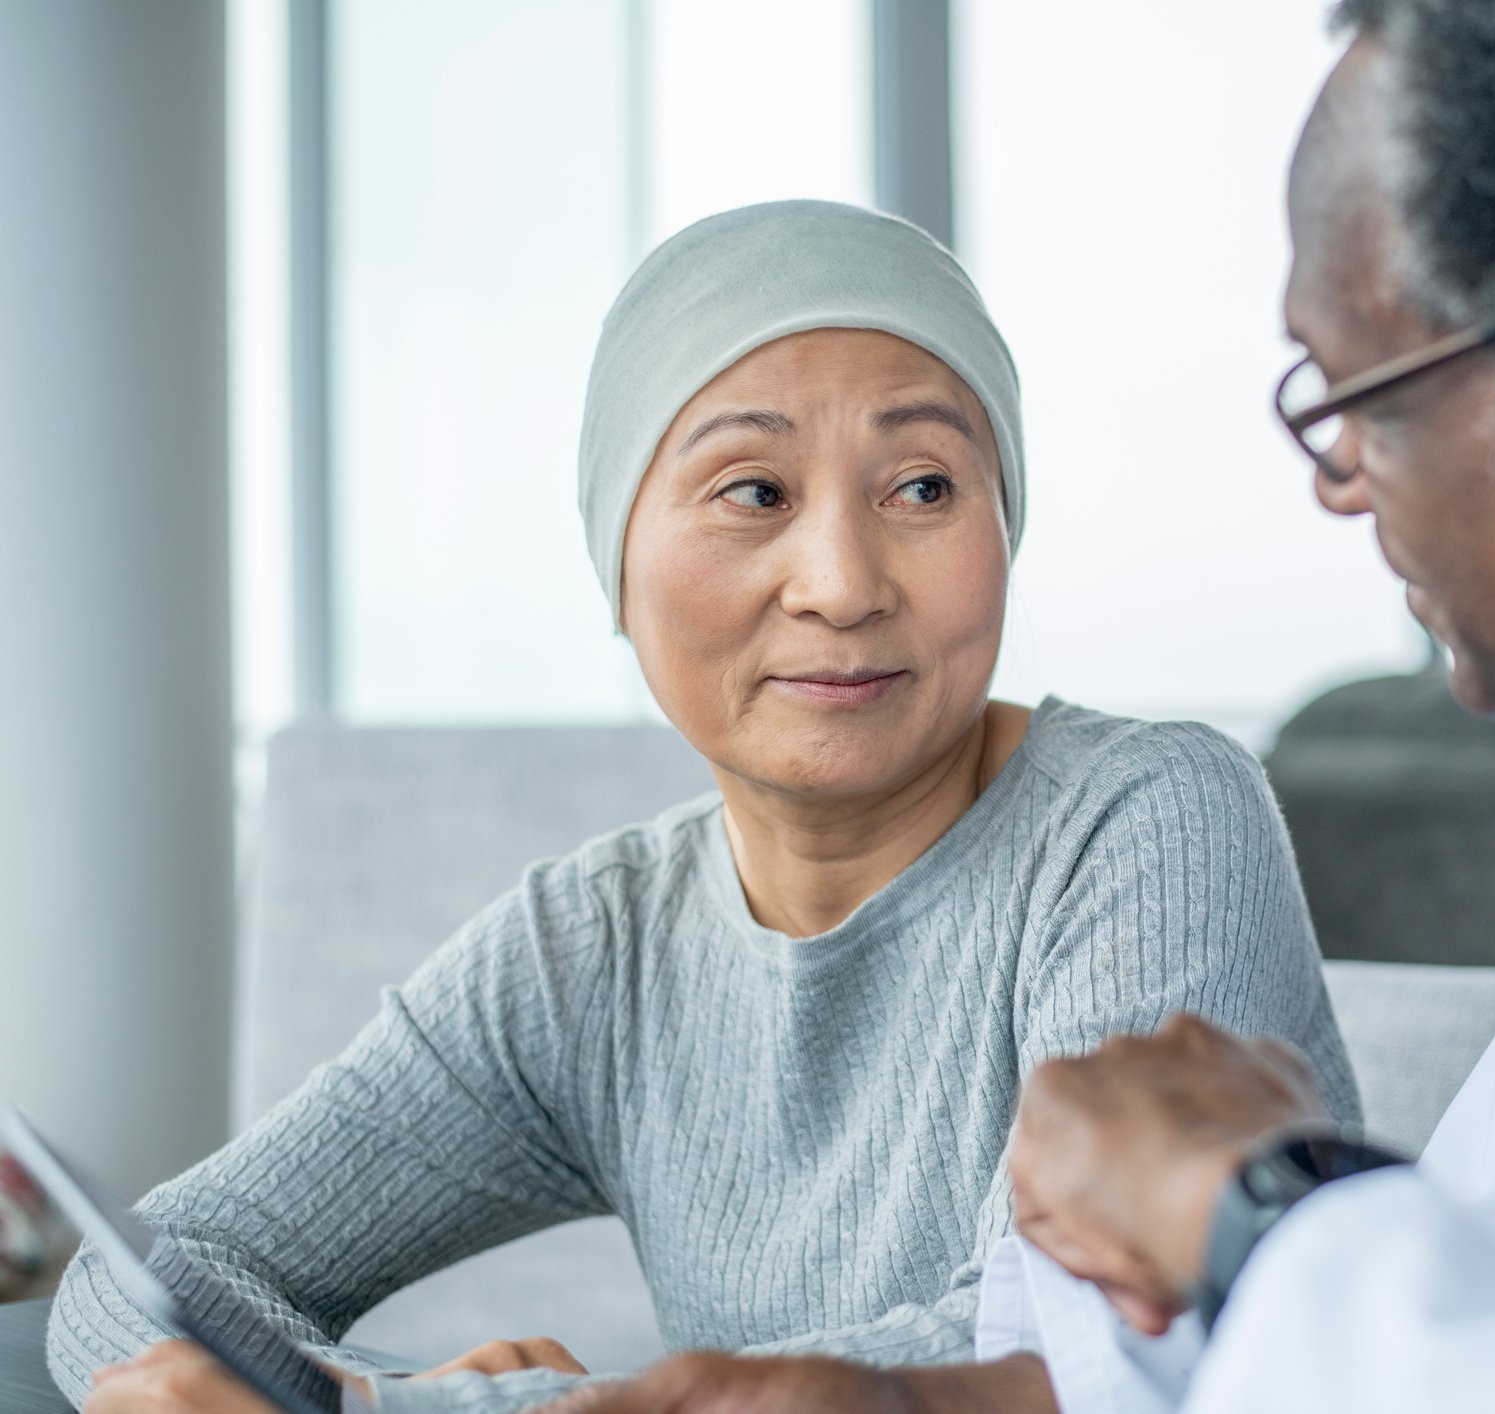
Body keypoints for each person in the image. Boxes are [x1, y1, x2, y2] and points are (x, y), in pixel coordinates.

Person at [553, 0, 1495, 1408]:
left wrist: (1256, 1202)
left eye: (1353, 401)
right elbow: (1477, 1296)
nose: (1331, 483)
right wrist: (915, 1408)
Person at [51, 200, 1358, 1414]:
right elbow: (149, 1271)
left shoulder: (1149, 817)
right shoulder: (594, 951)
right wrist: (333, 1392)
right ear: (617, 564)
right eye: (754, 492)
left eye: (923, 488)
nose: (841, 583)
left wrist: (449, 1409)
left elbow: (1069, 1351)